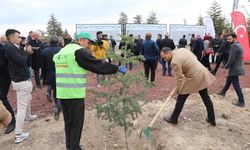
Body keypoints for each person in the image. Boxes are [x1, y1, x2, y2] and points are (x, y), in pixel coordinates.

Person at [53, 32, 126, 150]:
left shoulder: (62, 51)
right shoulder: (78, 52)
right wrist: (116, 68)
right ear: (80, 40)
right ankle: (74, 147)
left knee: (69, 123)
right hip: (74, 94)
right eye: (88, 42)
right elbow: (96, 65)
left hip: (62, 93)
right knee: (76, 124)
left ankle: (71, 145)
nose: (88, 46)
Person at [161, 47, 216, 126]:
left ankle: (173, 119)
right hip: (202, 72)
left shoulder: (174, 62)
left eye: (165, 57)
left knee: (181, 97)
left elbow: (179, 79)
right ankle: (212, 119)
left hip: (194, 77)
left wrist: (175, 91)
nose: (165, 60)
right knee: (205, 97)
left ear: (169, 53)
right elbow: (195, 57)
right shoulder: (182, 49)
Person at [5, 29, 37, 144]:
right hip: (21, 81)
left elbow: (23, 61)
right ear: (11, 37)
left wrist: (25, 52)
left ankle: (28, 117)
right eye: (18, 37)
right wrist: (26, 52)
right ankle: (18, 135)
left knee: (28, 99)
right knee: (22, 107)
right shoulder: (10, 48)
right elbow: (21, 61)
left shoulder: (13, 47)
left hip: (22, 79)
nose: (20, 39)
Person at [217, 33, 245, 107]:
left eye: (230, 39)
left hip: (234, 69)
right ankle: (223, 92)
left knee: (236, 85)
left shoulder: (234, 46)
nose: (228, 41)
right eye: (228, 39)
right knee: (229, 81)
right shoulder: (239, 45)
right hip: (237, 67)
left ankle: (241, 101)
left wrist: (225, 67)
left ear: (235, 38)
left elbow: (231, 59)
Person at [42, 35, 62, 120]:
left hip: (50, 73)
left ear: (50, 41)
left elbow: (42, 66)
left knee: (54, 91)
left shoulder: (44, 51)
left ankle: (56, 105)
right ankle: (58, 107)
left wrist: (43, 77)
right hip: (61, 73)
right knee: (61, 91)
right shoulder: (62, 50)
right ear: (58, 41)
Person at [0, 36, 16, 134]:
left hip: (3, 79)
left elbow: (3, 63)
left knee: (2, 98)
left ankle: (12, 120)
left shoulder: (2, 49)